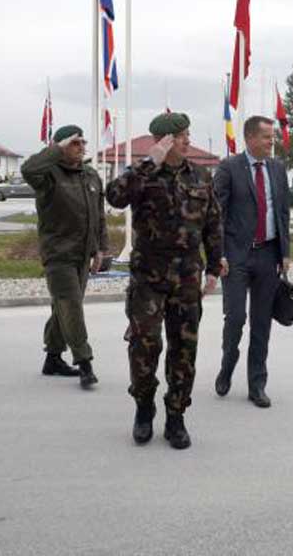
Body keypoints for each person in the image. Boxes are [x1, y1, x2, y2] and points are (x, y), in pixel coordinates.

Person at [106, 112, 223, 450]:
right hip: (148, 280)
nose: (187, 140)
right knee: (144, 345)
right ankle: (144, 408)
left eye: (188, 134)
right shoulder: (144, 175)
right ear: (164, 140)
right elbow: (114, 197)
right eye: (181, 136)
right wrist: (149, 162)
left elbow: (213, 223)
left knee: (184, 350)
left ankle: (176, 417)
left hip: (187, 279)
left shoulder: (200, 175)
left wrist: (215, 266)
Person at [213, 116, 291, 408]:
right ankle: (227, 363)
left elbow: (282, 212)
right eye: (267, 137)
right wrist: (218, 253)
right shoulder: (229, 168)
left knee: (261, 323)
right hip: (236, 256)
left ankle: (257, 384)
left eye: (273, 137)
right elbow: (216, 214)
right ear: (250, 138)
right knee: (235, 318)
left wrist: (285, 253)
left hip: (269, 255)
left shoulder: (277, 168)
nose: (272, 142)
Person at [20, 125, 108, 389]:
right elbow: (28, 169)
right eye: (74, 143)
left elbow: (99, 216)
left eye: (83, 143)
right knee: (71, 305)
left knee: (63, 306)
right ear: (60, 146)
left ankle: (53, 358)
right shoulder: (47, 175)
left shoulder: (90, 175)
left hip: (82, 255)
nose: (81, 148)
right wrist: (55, 149)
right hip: (58, 254)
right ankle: (85, 362)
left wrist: (100, 248)